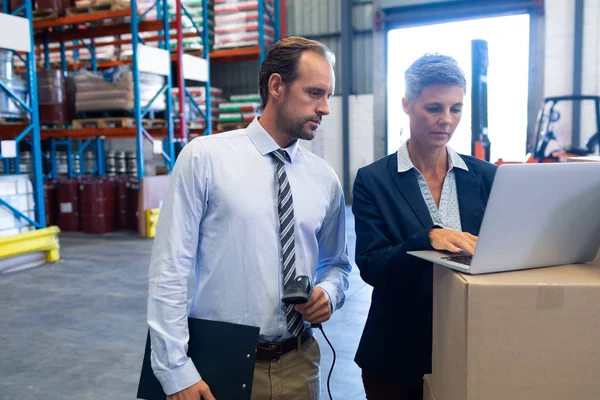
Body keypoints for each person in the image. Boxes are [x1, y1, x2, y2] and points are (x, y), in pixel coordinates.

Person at [147, 36, 351, 400]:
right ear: (277, 86)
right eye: (314, 93)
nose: (325, 109)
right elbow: (169, 270)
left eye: (329, 96)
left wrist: (328, 294)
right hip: (221, 364)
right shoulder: (205, 159)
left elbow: (337, 264)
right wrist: (175, 369)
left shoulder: (324, 179)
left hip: (300, 363)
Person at [352, 53, 497, 399]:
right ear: (406, 104)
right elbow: (372, 266)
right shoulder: (374, 181)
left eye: (456, 109)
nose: (446, 120)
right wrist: (427, 238)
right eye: (434, 108)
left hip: (472, 343)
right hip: (396, 354)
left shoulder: (487, 177)